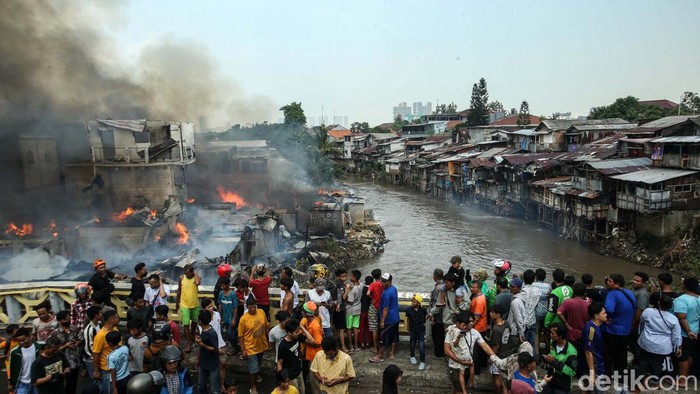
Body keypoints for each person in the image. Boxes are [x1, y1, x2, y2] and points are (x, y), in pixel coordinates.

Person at [444, 312, 495, 394]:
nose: (471, 323)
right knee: (460, 390)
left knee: (457, 388)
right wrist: (460, 361)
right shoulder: (453, 331)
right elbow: (447, 350)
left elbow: (485, 346)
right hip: (454, 366)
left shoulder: (475, 332)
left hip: (467, 364)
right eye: (469, 321)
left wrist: (495, 358)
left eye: (472, 321)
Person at [637, 295, 681, 389]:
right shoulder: (673, 319)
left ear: (659, 302)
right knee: (658, 364)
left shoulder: (648, 312)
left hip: (646, 342)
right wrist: (677, 347)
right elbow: (676, 336)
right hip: (662, 346)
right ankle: (654, 382)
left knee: (643, 361)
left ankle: (638, 381)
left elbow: (642, 322)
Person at [602, 273, 635, 379]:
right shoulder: (629, 293)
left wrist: (606, 317)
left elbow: (609, 309)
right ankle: (619, 376)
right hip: (626, 331)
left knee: (608, 355)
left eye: (610, 281)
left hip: (613, 331)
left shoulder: (613, 294)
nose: (607, 282)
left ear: (617, 284)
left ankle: (607, 376)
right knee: (621, 356)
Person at [237, 297, 269, 394]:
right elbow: (240, 336)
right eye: (250, 308)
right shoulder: (243, 319)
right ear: (247, 307)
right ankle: (253, 386)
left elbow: (266, 326)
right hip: (250, 347)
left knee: (258, 363)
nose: (252, 309)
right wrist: (243, 350)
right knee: (253, 368)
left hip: (261, 345)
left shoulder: (261, 312)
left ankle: (256, 373)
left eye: (254, 307)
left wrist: (269, 340)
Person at [276, 318, 315, 394]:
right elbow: (279, 362)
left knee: (302, 391)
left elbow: (312, 341)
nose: (298, 333)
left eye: (298, 331)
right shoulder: (283, 345)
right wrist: (281, 379)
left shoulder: (298, 337)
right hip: (290, 376)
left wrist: (302, 328)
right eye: (296, 332)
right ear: (289, 333)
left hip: (299, 372)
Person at [673, 276, 699, 386]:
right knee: (690, 356)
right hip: (696, 332)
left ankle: (682, 380)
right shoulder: (698, 298)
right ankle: (686, 377)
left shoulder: (681, 300)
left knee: (683, 357)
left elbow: (682, 317)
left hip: (685, 333)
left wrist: (688, 331)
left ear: (685, 286)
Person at [48, 310, 80, 394]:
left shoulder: (74, 329)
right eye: (65, 319)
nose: (68, 320)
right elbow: (51, 350)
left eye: (69, 318)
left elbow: (81, 340)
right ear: (60, 321)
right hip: (61, 364)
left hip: (74, 361)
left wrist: (77, 343)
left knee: (73, 384)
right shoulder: (55, 333)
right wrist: (66, 346)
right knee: (61, 385)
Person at [370, 273, 400, 363]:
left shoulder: (386, 293)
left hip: (388, 319)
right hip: (395, 317)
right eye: (381, 280)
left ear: (389, 282)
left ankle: (380, 355)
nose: (382, 283)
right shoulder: (394, 289)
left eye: (384, 281)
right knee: (394, 337)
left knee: (383, 338)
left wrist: (382, 321)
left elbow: (385, 309)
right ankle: (391, 353)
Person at [489, 304, 518, 394]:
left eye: (493, 312)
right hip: (507, 353)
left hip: (498, 355)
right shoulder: (507, 323)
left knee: (496, 377)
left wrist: (491, 358)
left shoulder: (496, 329)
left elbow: (495, 346)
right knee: (503, 377)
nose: (491, 314)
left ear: (498, 314)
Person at [542, 323, 577, 393]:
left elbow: (572, 372)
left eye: (553, 333)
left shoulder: (571, 352)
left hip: (562, 386)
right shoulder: (552, 342)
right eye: (550, 333)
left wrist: (554, 361)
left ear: (560, 336)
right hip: (550, 380)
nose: (550, 335)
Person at [92, 309, 121, 394]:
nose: (118, 320)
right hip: (107, 369)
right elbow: (96, 354)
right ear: (112, 319)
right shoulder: (100, 336)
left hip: (117, 367)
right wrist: (96, 370)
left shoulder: (115, 329)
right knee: (109, 390)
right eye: (117, 318)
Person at [8, 327, 41, 394]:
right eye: (19, 341)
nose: (21, 342)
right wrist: (11, 383)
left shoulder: (39, 346)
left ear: (30, 336)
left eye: (23, 340)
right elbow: (12, 368)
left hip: (37, 382)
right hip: (22, 383)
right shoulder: (14, 352)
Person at [176, 264, 201, 353]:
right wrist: (177, 302)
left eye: (188, 273)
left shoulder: (196, 277)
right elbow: (179, 290)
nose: (187, 275)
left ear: (192, 272)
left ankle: (192, 335)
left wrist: (195, 274)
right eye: (185, 273)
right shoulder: (181, 278)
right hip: (184, 304)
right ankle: (188, 344)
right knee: (186, 324)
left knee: (194, 322)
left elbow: (198, 283)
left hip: (194, 304)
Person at [582, 303, 607, 391]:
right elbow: (588, 351)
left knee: (587, 388)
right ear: (596, 316)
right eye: (603, 313)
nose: (606, 315)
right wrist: (592, 373)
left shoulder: (597, 326)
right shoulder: (591, 329)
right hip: (596, 367)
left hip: (598, 365)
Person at [300, 302, 323, 394]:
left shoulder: (315, 326)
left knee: (314, 381)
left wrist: (304, 340)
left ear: (306, 313)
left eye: (303, 311)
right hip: (311, 355)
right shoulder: (308, 322)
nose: (301, 312)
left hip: (315, 356)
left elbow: (318, 343)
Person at [196, 309, 221, 394]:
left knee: (214, 388)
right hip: (203, 363)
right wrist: (198, 359)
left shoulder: (212, 333)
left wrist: (202, 344)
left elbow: (215, 349)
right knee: (201, 385)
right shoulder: (203, 331)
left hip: (213, 365)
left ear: (200, 321)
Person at [521, 270, 542, 355]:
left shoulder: (522, 291)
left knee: (523, 343)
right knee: (532, 341)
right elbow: (536, 305)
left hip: (523, 320)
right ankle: (533, 358)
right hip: (532, 318)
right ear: (534, 279)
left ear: (524, 278)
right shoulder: (538, 291)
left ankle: (523, 359)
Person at [405, 293, 427, 370]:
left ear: (418, 303)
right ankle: (412, 356)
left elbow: (426, 317)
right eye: (412, 301)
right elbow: (408, 319)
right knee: (412, 344)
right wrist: (407, 327)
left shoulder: (423, 310)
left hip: (421, 330)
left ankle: (422, 361)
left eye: (414, 301)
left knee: (421, 346)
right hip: (413, 330)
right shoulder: (409, 310)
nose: (412, 303)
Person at [80, 305, 102, 378]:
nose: (101, 314)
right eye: (100, 313)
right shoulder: (89, 330)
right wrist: (96, 358)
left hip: (98, 356)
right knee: (95, 378)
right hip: (91, 359)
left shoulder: (99, 324)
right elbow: (89, 347)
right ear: (96, 315)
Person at [429, 268, 446, 358]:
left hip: (438, 317)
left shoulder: (438, 288)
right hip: (444, 315)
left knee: (437, 336)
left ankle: (438, 352)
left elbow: (437, 303)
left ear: (434, 277)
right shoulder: (445, 285)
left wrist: (432, 315)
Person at [344, 269, 363, 353]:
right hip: (358, 308)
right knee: (355, 327)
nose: (350, 277)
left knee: (349, 328)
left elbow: (350, 301)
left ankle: (351, 346)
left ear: (354, 278)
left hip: (350, 310)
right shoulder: (361, 285)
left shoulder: (353, 290)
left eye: (351, 276)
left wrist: (347, 291)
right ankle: (356, 346)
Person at [217, 277, 239, 345]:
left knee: (231, 333)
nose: (222, 286)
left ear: (227, 284)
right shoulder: (221, 293)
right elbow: (220, 305)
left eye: (223, 285)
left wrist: (234, 319)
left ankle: (236, 347)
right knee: (228, 333)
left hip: (231, 318)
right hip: (225, 317)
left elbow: (236, 307)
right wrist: (220, 316)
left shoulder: (233, 294)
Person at [367, 268, 384, 354]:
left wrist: (372, 298)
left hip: (374, 306)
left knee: (374, 328)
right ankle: (381, 345)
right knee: (381, 326)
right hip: (381, 306)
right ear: (380, 275)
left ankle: (374, 348)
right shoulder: (382, 284)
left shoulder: (372, 284)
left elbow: (368, 293)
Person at [333, 268, 349, 352]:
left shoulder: (336, 283)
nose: (344, 278)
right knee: (342, 329)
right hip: (340, 309)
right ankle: (343, 347)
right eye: (343, 276)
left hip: (335, 308)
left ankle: (336, 345)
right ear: (338, 276)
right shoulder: (340, 285)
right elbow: (343, 297)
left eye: (345, 276)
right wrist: (347, 289)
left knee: (336, 328)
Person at [508, 278, 528, 344]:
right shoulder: (523, 298)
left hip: (514, 332)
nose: (510, 287)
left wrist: (521, 333)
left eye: (513, 287)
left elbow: (518, 319)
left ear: (519, 288)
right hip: (519, 330)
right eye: (510, 285)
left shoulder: (515, 302)